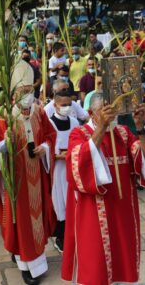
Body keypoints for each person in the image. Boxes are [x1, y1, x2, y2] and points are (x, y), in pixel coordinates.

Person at [61, 92, 145, 284]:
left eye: (113, 111)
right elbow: (78, 164)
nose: (111, 116)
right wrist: (101, 128)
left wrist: (140, 128)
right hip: (93, 212)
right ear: (91, 112)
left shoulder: (123, 133)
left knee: (123, 262)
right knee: (95, 264)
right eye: (105, 112)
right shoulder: (79, 134)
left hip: (123, 212)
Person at [0, 60, 57, 284]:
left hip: (37, 176)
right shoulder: (3, 116)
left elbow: (50, 137)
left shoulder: (39, 112)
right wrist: (4, 145)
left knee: (36, 219)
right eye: (23, 91)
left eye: (30, 90)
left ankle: (33, 259)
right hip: (17, 180)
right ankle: (26, 266)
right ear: (13, 92)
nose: (27, 95)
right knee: (21, 222)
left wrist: (46, 148)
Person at [48, 90, 79, 253]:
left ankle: (74, 233)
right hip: (58, 169)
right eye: (63, 105)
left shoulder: (74, 122)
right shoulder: (49, 124)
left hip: (72, 166)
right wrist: (59, 155)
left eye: (69, 105)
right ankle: (60, 236)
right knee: (59, 201)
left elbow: (80, 141)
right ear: (55, 105)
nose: (66, 108)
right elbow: (46, 147)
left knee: (74, 201)